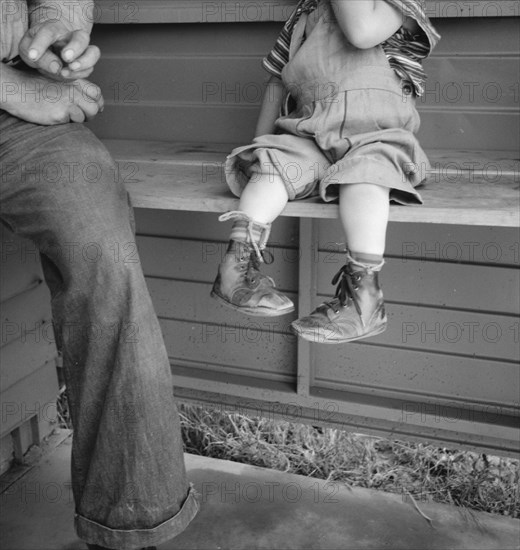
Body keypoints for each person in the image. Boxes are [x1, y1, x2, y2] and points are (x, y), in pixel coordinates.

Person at [0, 1, 199, 548]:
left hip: (20, 118)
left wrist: (57, 27)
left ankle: (130, 524)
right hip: (16, 95)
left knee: (101, 243)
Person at [211, 0, 440, 344]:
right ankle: (235, 267)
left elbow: (361, 32)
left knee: (367, 175)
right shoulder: (302, 16)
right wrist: (260, 146)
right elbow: (277, 82)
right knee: (274, 165)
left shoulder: (397, 6)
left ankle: (363, 297)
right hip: (311, 131)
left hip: (375, 135)